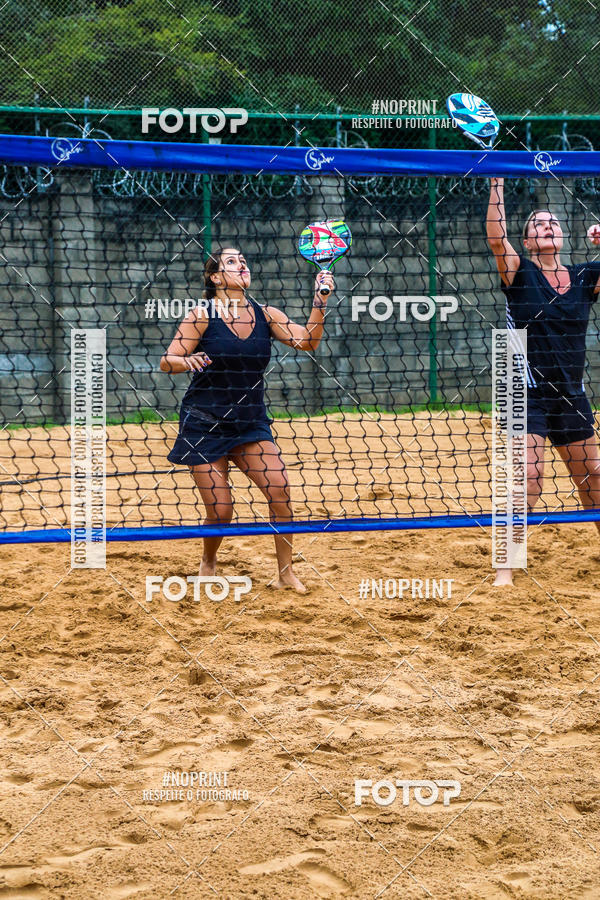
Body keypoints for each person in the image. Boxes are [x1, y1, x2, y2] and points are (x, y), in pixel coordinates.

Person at [160, 246, 333, 593]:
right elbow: (168, 361)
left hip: (249, 422)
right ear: (215, 277)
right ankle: (209, 561)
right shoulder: (201, 316)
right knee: (221, 511)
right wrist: (186, 361)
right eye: (231, 261)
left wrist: (320, 301)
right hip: (204, 423)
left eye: (243, 260)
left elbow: (307, 341)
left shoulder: (266, 314)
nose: (242, 265)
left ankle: (285, 574)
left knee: (279, 488)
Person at [486, 177, 600, 586]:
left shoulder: (586, 276)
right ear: (527, 241)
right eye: (537, 224)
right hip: (522, 392)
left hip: (570, 394)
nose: (547, 226)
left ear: (564, 236)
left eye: (553, 223)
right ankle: (505, 567)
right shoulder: (519, 271)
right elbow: (496, 239)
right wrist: (496, 179)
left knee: (594, 477)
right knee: (527, 480)